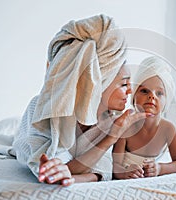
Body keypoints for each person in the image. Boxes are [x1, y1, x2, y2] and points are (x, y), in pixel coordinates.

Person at [13, 14, 151, 186]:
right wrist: (111, 138)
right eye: (124, 84)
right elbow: (48, 164)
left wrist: (112, 135)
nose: (131, 91)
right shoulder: (45, 108)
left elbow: (103, 169)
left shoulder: (112, 120)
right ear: (99, 84)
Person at [112, 56, 176, 179]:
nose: (152, 96)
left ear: (166, 101)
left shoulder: (168, 129)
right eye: (145, 91)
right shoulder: (126, 126)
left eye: (159, 93)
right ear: (134, 96)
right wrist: (125, 172)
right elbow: (115, 166)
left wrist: (160, 168)